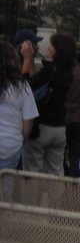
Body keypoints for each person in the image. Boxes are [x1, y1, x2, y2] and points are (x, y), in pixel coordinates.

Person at [21, 33, 76, 176]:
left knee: (32, 172)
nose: (49, 48)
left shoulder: (51, 70)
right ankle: (55, 198)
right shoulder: (69, 73)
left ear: (59, 50)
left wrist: (27, 61)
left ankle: (31, 199)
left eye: (52, 45)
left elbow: (25, 88)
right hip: (59, 128)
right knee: (55, 171)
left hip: (41, 127)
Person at [0, 41, 38, 170]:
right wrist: (21, 139)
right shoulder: (22, 85)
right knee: (7, 187)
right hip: (11, 147)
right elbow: (29, 118)